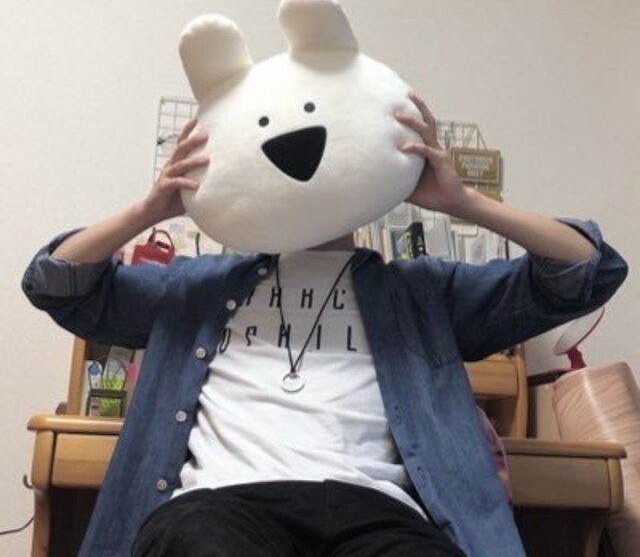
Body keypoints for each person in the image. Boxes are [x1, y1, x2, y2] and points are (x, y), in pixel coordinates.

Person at [23, 94, 627, 556]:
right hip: (224, 503)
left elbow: (583, 271)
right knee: (206, 545)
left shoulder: (418, 292)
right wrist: (151, 208)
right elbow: (58, 283)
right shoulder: (196, 286)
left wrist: (463, 202)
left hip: (377, 513)